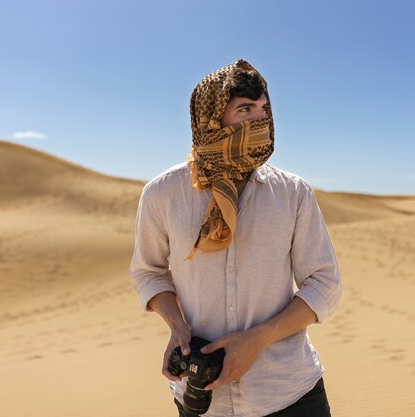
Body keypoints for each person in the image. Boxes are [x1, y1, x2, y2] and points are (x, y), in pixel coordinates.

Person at [129, 59, 342, 417]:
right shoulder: (163, 193)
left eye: (263, 109)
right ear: (212, 119)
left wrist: (258, 339)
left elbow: (324, 283)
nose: (259, 120)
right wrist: (177, 327)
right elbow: (148, 272)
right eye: (245, 109)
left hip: (288, 390)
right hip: (201, 398)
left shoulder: (292, 193)